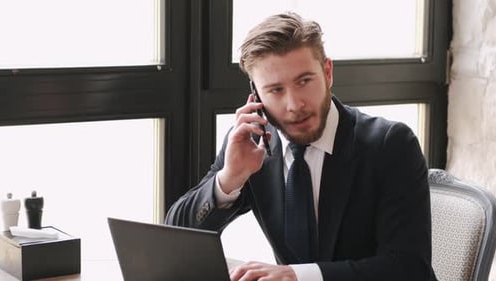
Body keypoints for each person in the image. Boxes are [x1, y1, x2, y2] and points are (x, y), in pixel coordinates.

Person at [166, 12, 437, 281]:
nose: (295, 105)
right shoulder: (252, 143)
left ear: (328, 72)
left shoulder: (390, 144)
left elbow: (409, 268)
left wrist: (297, 276)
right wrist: (229, 179)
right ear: (256, 95)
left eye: (304, 81)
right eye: (275, 90)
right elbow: (175, 237)